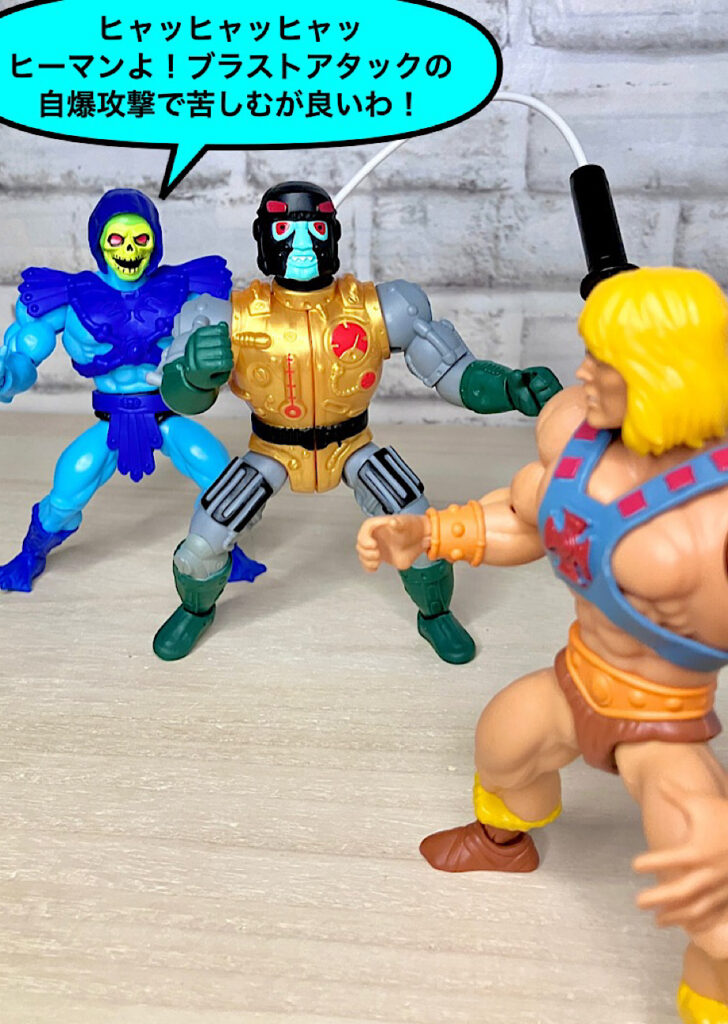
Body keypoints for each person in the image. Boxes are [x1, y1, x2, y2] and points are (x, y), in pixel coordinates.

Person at [357, 266, 728, 1023]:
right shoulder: (574, 432)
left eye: (606, 363)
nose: (584, 372)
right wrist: (429, 533)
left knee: (706, 878)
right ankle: (503, 844)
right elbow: (528, 520)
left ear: (666, 376)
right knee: (503, 743)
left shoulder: (715, 518)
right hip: (577, 678)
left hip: (663, 723)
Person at [151, 180, 561, 664]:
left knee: (420, 531)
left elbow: (454, 372)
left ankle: (434, 614)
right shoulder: (226, 316)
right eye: (285, 230)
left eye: (315, 230)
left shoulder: (378, 308)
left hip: (352, 445)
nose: (302, 245)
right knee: (201, 547)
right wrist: (194, 371)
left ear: (333, 235)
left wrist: (508, 387)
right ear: (264, 239)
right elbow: (178, 397)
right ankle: (195, 609)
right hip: (272, 451)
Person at [0, 188, 261, 591]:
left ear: (155, 241)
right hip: (112, 418)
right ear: (99, 242)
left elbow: (235, 342)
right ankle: (29, 554)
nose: (129, 250)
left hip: (167, 411)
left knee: (224, 484)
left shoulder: (186, 288)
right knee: (64, 498)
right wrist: (8, 374)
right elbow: (25, 353)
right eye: (116, 239)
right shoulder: (69, 297)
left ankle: (222, 550)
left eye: (140, 238)